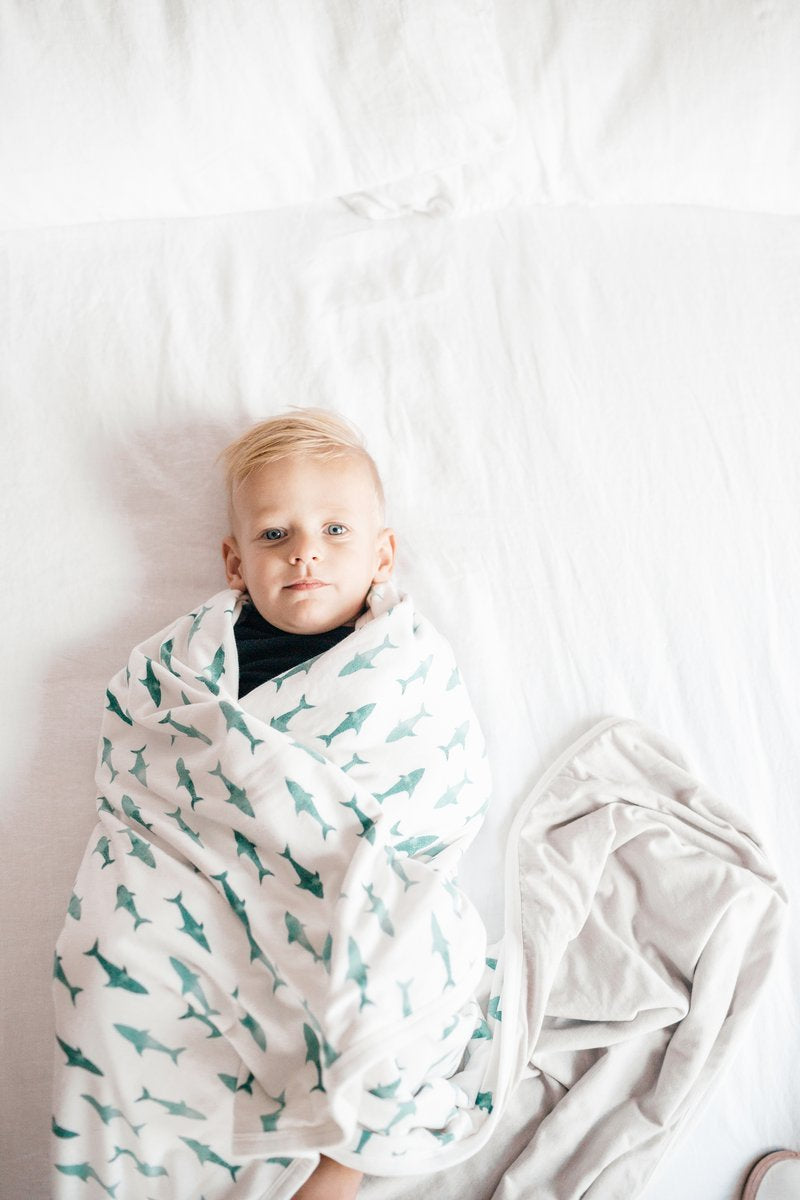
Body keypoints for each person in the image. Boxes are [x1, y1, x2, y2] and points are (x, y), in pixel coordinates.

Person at [218, 408, 397, 1200]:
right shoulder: (207, 656)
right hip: (235, 883)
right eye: (274, 535)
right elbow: (166, 746)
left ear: (381, 555)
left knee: (374, 1006)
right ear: (235, 562)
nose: (305, 552)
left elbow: (432, 777)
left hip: (352, 883)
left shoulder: (395, 661)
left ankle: (336, 1165)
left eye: (334, 530)